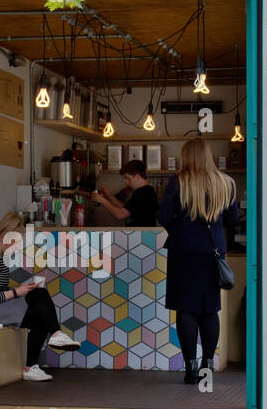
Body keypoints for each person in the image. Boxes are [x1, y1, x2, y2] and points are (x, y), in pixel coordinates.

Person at [158, 137, 240, 384]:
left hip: (184, 252)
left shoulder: (178, 182)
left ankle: (190, 367)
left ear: (187, 157)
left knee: (186, 309)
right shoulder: (225, 183)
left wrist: (182, 228)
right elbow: (232, 218)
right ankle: (208, 364)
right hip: (213, 253)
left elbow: (162, 216)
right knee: (210, 309)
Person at [0, 212, 79, 381]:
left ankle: (50, 342)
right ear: (4, 237)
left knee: (39, 295)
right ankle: (49, 343)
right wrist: (18, 292)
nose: (17, 247)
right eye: (15, 242)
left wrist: (20, 290)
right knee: (39, 308)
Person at [92, 159, 159, 226]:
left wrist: (102, 201)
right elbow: (126, 208)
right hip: (140, 234)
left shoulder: (143, 192)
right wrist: (109, 196)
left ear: (137, 177)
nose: (126, 183)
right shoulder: (147, 191)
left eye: (128, 178)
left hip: (141, 235)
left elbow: (120, 215)